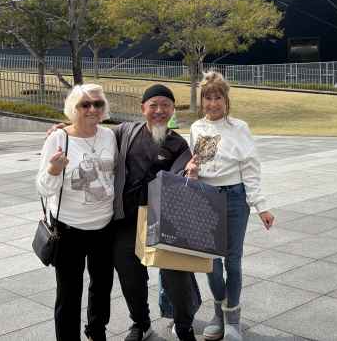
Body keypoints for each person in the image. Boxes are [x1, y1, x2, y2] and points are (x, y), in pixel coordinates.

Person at [50, 83, 200, 341]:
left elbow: (187, 184)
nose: (159, 111)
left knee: (177, 276)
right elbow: (89, 128)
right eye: (153, 105)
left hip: (162, 220)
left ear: (173, 109)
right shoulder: (124, 132)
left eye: (166, 105)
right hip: (126, 221)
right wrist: (62, 128)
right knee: (129, 275)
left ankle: (184, 323)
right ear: (143, 109)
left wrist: (193, 175)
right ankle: (141, 323)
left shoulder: (179, 145)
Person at [185, 72, 275, 341]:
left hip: (235, 197)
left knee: (232, 261)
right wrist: (192, 171)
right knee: (211, 263)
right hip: (206, 197)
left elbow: (250, 168)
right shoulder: (197, 128)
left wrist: (261, 206)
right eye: (207, 98)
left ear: (226, 100)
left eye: (218, 97)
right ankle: (218, 313)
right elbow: (198, 161)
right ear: (202, 102)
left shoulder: (240, 128)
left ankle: (232, 318)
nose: (213, 103)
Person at [36, 84, 117, 341]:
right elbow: (42, 187)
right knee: (69, 293)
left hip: (104, 227)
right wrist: (53, 171)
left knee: (102, 287)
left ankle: (96, 331)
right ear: (73, 109)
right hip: (69, 228)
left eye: (98, 104)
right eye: (85, 105)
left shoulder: (109, 136)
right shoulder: (58, 139)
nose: (92, 109)